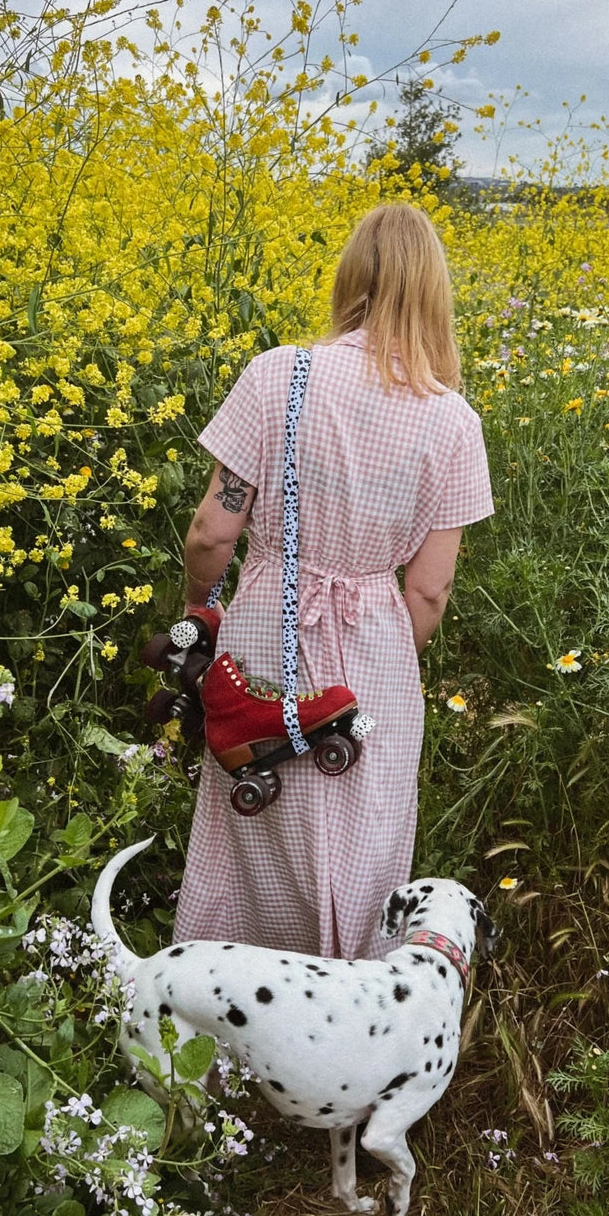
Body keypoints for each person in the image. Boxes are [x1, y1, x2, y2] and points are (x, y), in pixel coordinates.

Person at [172, 203, 494, 960]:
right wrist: (385, 650)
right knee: (365, 833)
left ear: (352, 278)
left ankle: (220, 1036)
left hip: (259, 632)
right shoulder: (453, 423)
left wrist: (196, 608)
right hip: (378, 653)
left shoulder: (278, 374)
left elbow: (213, 531)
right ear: (434, 295)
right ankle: (343, 1035)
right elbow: (430, 592)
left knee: (246, 829)